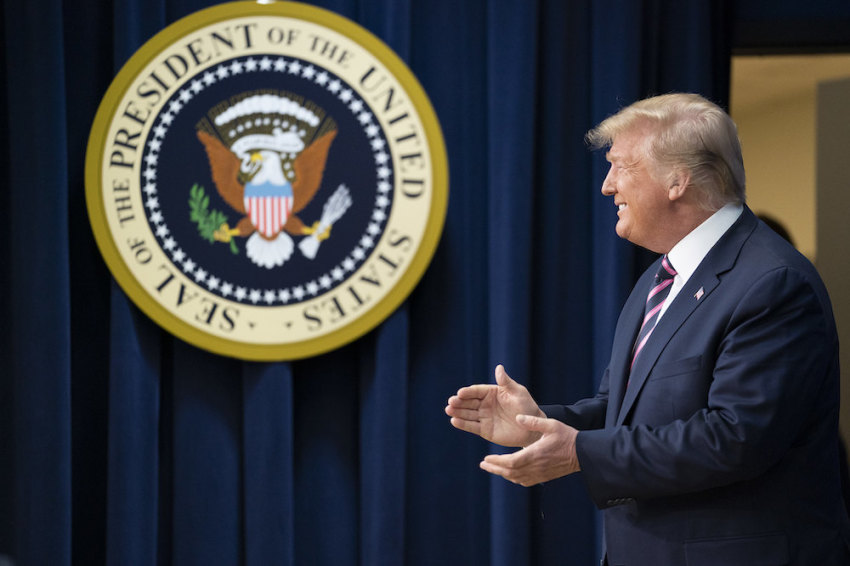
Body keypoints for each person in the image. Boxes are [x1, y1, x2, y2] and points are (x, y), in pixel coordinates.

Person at [445, 93, 850, 565]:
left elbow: (734, 438)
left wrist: (579, 452)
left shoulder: (772, 282)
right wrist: (540, 425)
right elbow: (622, 411)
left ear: (677, 180)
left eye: (620, 166)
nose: (607, 186)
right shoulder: (660, 277)